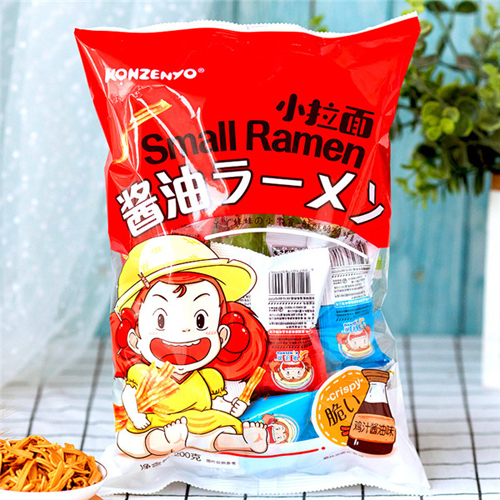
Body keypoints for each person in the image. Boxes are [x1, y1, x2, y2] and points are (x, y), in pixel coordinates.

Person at [110, 235, 269, 458]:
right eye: (161, 321)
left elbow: (217, 403)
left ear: (222, 335)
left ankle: (244, 442)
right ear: (135, 339)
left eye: (200, 320)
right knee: (129, 438)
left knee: (216, 432)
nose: (184, 330)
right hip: (155, 420)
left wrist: (233, 407)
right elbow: (129, 395)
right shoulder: (142, 374)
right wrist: (136, 416)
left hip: (200, 420)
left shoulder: (209, 377)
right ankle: (162, 441)